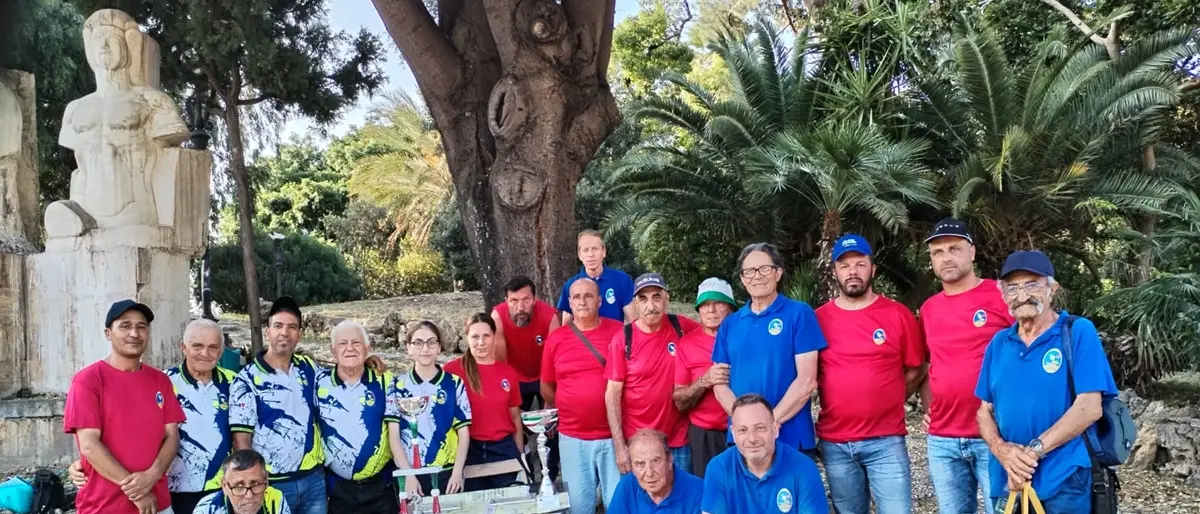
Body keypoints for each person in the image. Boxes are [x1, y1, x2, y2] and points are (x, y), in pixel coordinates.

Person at [976, 250, 1118, 513]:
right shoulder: (998, 343)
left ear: (1052, 289)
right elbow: (984, 410)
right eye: (1012, 287)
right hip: (1008, 480)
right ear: (1003, 293)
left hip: (1064, 480)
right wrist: (1003, 451)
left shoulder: (1077, 331)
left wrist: (1031, 453)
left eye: (1032, 284)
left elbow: (1089, 407)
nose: (1022, 295)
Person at [67, 319, 235, 514]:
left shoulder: (236, 383)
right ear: (183, 347)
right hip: (170, 489)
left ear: (221, 351)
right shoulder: (163, 381)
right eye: (197, 346)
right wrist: (82, 464)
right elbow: (112, 432)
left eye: (213, 347)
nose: (205, 354)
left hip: (220, 487)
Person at [815, 234, 925, 514]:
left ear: (872, 269)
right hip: (836, 442)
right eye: (845, 265)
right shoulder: (817, 319)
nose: (852, 271)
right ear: (835, 272)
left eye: (860, 264)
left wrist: (888, 399)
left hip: (886, 440)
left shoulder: (898, 315)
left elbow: (916, 368)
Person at [919, 219, 1014, 514]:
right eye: (937, 252)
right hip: (943, 440)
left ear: (971, 253)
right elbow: (928, 364)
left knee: (1004, 509)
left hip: (995, 435)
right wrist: (928, 409)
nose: (946, 257)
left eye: (954, 249)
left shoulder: (1001, 294)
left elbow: (1028, 352)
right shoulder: (929, 308)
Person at [64, 299, 186, 514]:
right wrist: (137, 492)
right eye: (125, 325)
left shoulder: (160, 381)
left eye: (142, 327)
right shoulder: (88, 380)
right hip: (104, 506)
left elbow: (172, 436)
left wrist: (152, 475)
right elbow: (89, 445)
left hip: (159, 504)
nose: (134, 333)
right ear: (108, 333)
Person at [712, 243, 827, 457]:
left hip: (791, 436)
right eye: (749, 271)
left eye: (764, 269)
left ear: (778, 273)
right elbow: (720, 384)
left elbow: (807, 380)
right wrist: (747, 426)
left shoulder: (799, 314)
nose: (757, 276)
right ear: (743, 279)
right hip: (744, 442)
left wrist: (769, 423)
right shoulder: (730, 324)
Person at [229, 296, 325, 514]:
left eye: (292, 327)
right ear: (268, 331)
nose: (285, 332)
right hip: (274, 484)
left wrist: (366, 362)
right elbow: (241, 439)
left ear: (299, 334)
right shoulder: (246, 379)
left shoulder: (309, 367)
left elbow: (341, 378)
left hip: (313, 480)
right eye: (278, 326)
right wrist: (252, 485)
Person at [540, 278, 625, 514]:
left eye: (588, 296)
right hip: (573, 437)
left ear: (599, 300)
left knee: (618, 505)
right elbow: (546, 386)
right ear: (569, 302)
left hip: (614, 437)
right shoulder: (556, 339)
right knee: (579, 506)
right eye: (576, 297)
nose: (582, 301)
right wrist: (570, 406)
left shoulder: (619, 331)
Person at [605, 273, 701, 473]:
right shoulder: (624, 338)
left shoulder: (681, 327)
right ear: (635, 304)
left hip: (678, 439)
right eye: (643, 298)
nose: (651, 305)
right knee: (641, 502)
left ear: (666, 299)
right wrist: (620, 446)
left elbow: (712, 337)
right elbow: (612, 394)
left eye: (656, 297)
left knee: (681, 500)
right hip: (638, 443)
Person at [315, 320, 399, 513]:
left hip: (381, 488)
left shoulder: (384, 379)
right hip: (337, 490)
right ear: (332, 350)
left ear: (367, 348)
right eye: (343, 343)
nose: (350, 348)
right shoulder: (317, 382)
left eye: (356, 343)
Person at [701, 394, 828, 514]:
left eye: (760, 428)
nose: (752, 438)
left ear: (775, 429)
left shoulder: (804, 468)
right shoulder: (718, 468)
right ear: (733, 434)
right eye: (742, 430)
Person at [388, 320, 471, 497]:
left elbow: (463, 433)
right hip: (410, 475)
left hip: (446, 473)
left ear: (439, 347)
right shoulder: (396, 385)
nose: (425, 349)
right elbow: (393, 436)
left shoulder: (454, 384)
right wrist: (408, 474)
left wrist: (457, 472)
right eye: (418, 343)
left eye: (431, 342)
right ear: (408, 348)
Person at [444, 314, 526, 491]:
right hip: (467, 450)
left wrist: (520, 455)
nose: (480, 342)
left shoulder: (508, 373)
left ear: (494, 337)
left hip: (503, 448)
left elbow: (515, 418)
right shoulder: (452, 371)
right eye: (475, 336)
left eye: (486, 336)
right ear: (467, 338)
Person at [490, 276, 560, 480]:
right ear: (506, 301)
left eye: (526, 300)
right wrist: (511, 403)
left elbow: (555, 362)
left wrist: (549, 402)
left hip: (544, 375)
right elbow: (499, 366)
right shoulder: (498, 317)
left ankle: (551, 475)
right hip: (515, 378)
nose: (520, 307)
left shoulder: (549, 317)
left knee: (552, 425)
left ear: (535, 299)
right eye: (514, 301)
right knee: (514, 424)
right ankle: (524, 473)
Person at [672, 278, 737, 477]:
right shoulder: (687, 344)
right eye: (705, 304)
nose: (711, 310)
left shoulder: (745, 336)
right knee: (709, 492)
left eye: (718, 303)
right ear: (699, 310)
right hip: (704, 434)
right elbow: (679, 401)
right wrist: (704, 381)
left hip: (743, 429)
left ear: (731, 307)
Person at [608, 429, 704, 513]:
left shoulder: (698, 490)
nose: (649, 473)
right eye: (640, 464)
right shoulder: (627, 486)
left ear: (670, 460)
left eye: (655, 461)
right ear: (632, 468)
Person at [556, 229, 635, 324]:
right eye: (586, 250)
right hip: (584, 338)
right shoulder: (571, 285)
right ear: (580, 255)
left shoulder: (621, 280)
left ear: (604, 252)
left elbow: (632, 320)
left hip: (615, 337)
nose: (590, 254)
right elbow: (566, 325)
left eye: (595, 249)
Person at [193, 450, 291, 514]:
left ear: (266, 481)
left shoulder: (275, 498)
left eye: (256, 484)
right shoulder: (207, 509)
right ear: (224, 486)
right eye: (239, 486)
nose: (249, 495)